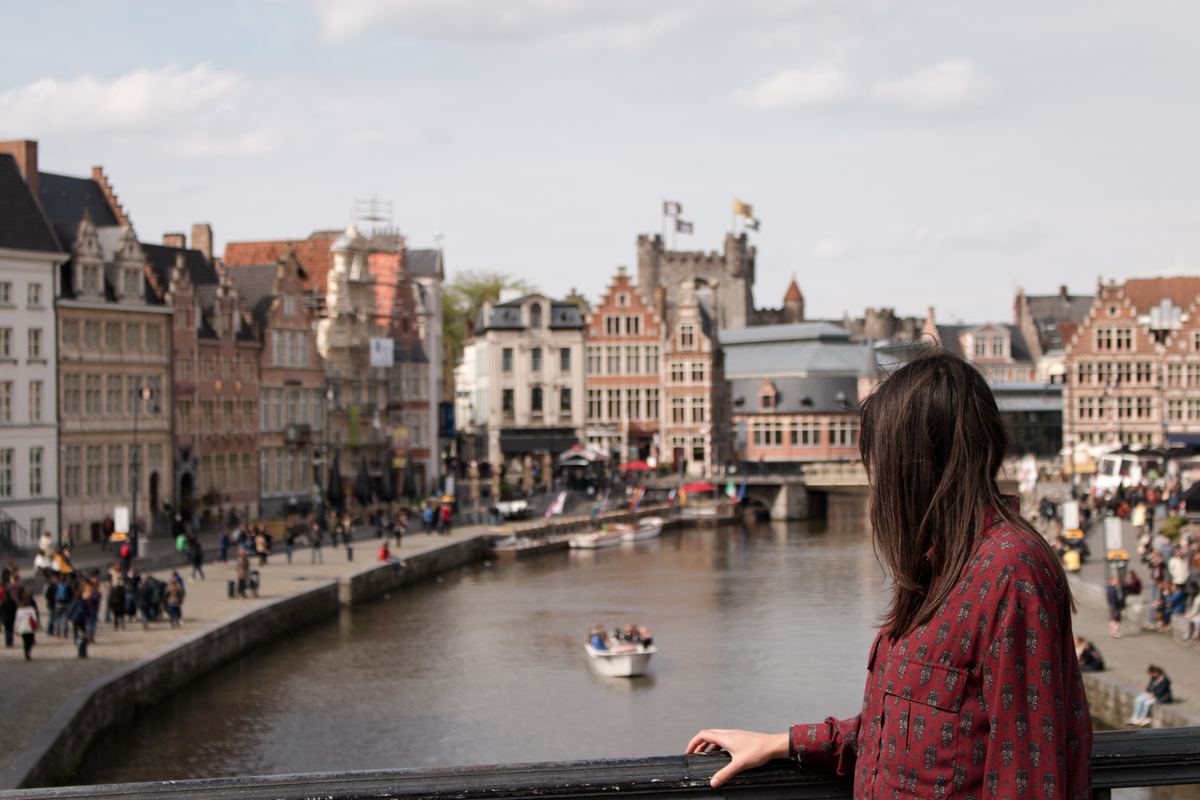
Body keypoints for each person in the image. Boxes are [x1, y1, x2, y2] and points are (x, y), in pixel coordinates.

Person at [685, 351, 1092, 797]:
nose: (875, 484)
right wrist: (782, 743)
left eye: (880, 462)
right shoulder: (940, 567)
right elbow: (906, 728)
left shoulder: (1010, 571)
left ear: (916, 465)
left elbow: (1029, 776)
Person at [14, 590, 38, 660]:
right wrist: (36, 626)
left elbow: (17, 621)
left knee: (25, 642)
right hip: (30, 628)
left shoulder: (19, 610)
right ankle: (28, 652)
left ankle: (26, 652)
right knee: (30, 641)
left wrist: (16, 629)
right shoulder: (31, 610)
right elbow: (34, 619)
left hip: (22, 629)